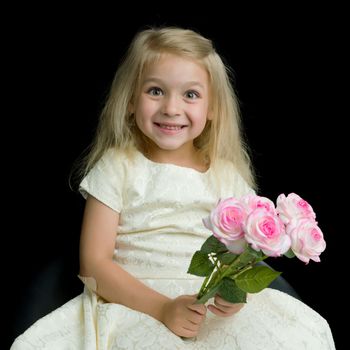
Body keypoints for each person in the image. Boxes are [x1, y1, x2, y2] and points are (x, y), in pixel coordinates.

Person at [11, 26, 335, 349]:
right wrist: (162, 308)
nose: (171, 108)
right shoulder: (118, 166)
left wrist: (236, 296)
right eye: (155, 91)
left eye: (190, 95)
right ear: (130, 101)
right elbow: (93, 263)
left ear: (212, 109)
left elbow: (243, 258)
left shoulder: (227, 176)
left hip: (205, 305)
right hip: (137, 302)